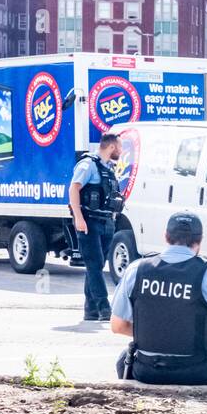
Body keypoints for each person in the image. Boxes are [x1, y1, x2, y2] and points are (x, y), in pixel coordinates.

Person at [109, 212, 207, 385]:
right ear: (200, 240)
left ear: (166, 236)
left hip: (147, 370)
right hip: (198, 370)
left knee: (124, 360)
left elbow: (117, 325)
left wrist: (158, 332)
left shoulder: (136, 270)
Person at [69, 132, 124, 322]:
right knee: (94, 264)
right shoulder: (88, 165)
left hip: (106, 221)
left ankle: (90, 310)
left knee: (97, 266)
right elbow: (74, 187)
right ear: (111, 147)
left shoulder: (107, 167)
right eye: (120, 147)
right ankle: (104, 309)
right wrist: (78, 217)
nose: (121, 151)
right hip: (89, 221)